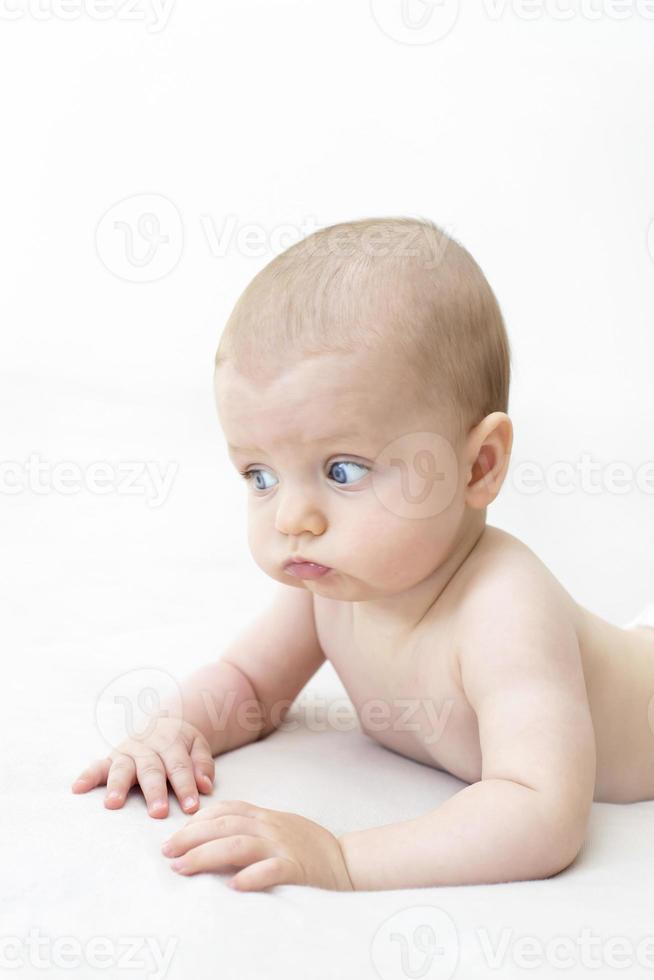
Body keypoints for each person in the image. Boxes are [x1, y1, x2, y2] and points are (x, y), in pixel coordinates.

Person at [72, 216, 654, 892]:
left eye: (343, 470)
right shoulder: (328, 585)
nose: (292, 518)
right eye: (259, 475)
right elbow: (250, 686)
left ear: (478, 467)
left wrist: (343, 858)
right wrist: (175, 727)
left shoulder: (505, 607)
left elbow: (540, 810)